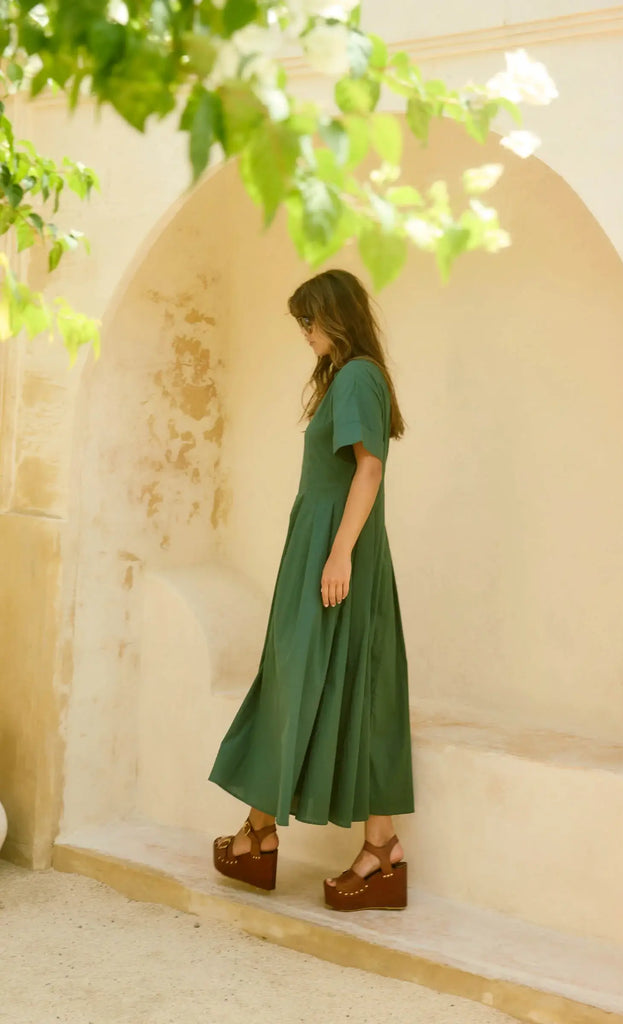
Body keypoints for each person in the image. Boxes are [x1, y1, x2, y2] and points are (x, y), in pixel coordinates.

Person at [208, 268, 414, 911]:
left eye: (310, 319)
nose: (305, 331)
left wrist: (339, 555)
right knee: (324, 681)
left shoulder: (357, 376)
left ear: (336, 317)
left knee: (325, 681)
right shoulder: (353, 377)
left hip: (335, 552)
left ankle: (275, 835)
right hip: (323, 549)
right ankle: (279, 833)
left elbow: (369, 467)